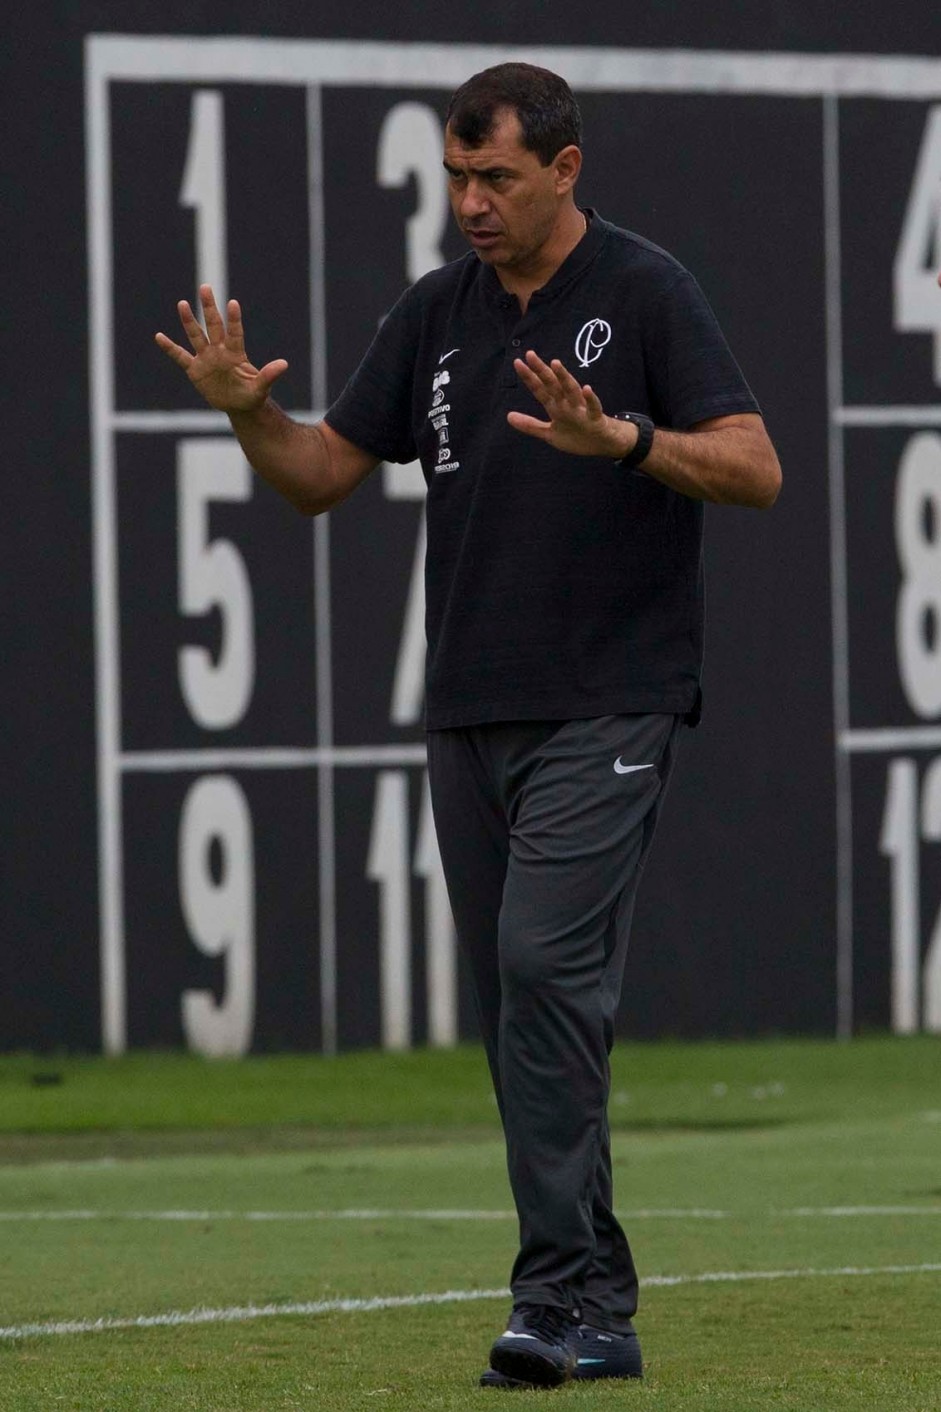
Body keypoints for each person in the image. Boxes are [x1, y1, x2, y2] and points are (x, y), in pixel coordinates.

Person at [156, 62, 781, 1390]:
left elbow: (755, 467)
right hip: (469, 707)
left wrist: (622, 440)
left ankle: (554, 1295)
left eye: (494, 177)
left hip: (608, 698)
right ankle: (594, 1299)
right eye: (455, 177)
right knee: (521, 1005)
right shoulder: (436, 312)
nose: (470, 202)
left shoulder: (644, 288)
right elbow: (322, 476)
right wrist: (248, 412)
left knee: (545, 973)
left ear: (563, 167)